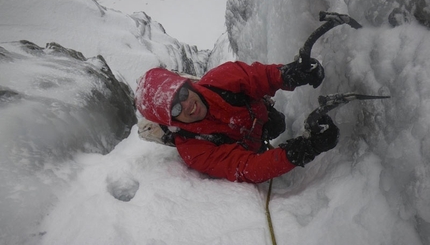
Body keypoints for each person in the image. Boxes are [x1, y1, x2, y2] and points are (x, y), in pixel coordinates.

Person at [135, 59, 339, 183]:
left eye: (182, 94)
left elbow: (259, 77)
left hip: (260, 118)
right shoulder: (193, 150)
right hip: (249, 146)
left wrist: (289, 75)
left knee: (278, 124)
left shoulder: (220, 79)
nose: (187, 104)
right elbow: (246, 166)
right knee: (274, 128)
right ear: (172, 121)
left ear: (188, 85)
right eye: (176, 108)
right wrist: (303, 150)